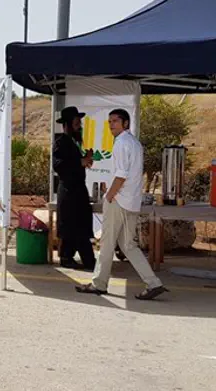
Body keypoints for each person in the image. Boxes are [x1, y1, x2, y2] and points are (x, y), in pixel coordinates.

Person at [76, 109, 168, 300]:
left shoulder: (121, 143)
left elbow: (121, 175)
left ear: (125, 123)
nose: (111, 125)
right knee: (128, 245)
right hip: (130, 201)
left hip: (119, 200)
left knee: (108, 243)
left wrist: (109, 195)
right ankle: (153, 283)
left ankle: (99, 284)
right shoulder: (133, 143)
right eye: (110, 121)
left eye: (115, 121)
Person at [52, 106, 96, 270]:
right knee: (76, 227)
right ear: (67, 124)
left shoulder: (74, 142)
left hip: (77, 190)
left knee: (77, 226)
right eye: (77, 123)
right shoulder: (61, 142)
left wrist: (86, 158)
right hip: (69, 191)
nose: (80, 126)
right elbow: (59, 166)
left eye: (80, 123)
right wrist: (80, 162)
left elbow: (75, 165)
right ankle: (86, 261)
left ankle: (67, 257)